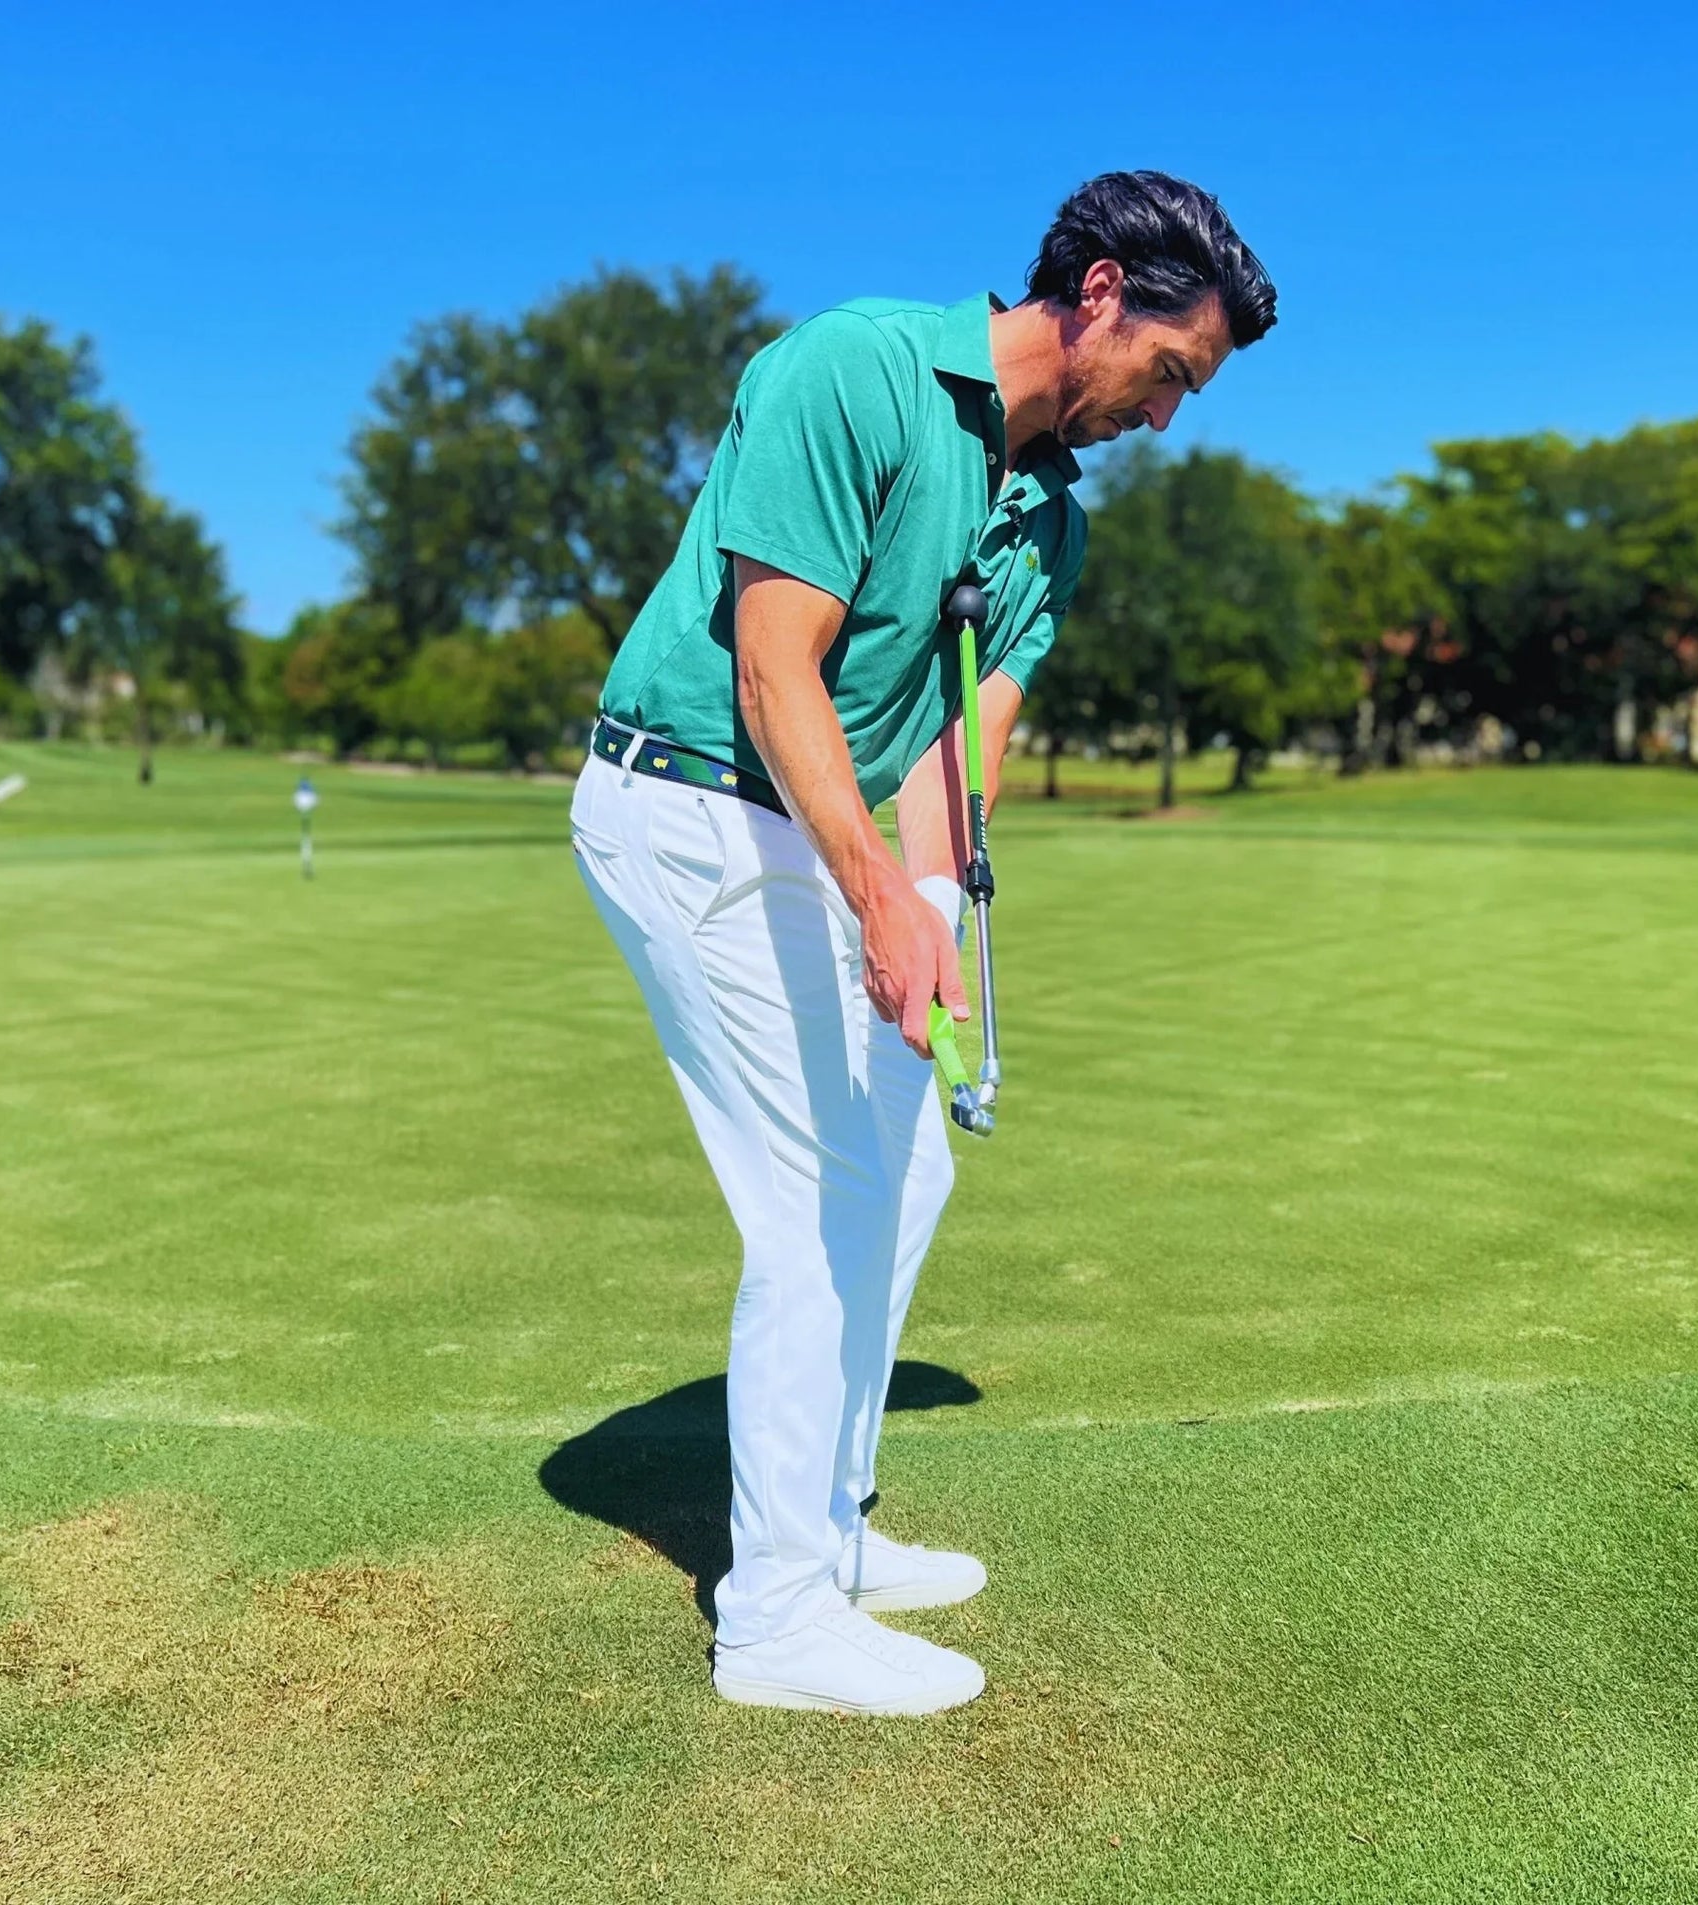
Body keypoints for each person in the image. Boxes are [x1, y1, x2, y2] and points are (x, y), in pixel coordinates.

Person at [570, 170, 1277, 1715]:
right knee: (821, 1197)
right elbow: (774, 675)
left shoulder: (1049, 528)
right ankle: (773, 1618)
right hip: (688, 801)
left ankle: (828, 1524)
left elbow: (960, 751)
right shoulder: (857, 370)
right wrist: (876, 898)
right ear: (1101, 293)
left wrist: (931, 914)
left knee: (910, 1170)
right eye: (1169, 373)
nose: (1165, 416)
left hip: (809, 827)